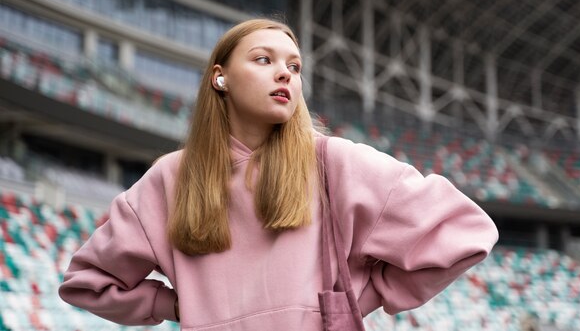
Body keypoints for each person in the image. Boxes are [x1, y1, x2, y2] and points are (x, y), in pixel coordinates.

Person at [58, 18, 499, 330]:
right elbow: (87, 283)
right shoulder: (169, 179)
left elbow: (466, 231)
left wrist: (358, 297)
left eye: (294, 66)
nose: (285, 73)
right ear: (220, 78)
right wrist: (178, 305)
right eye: (264, 59)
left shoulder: (336, 163)